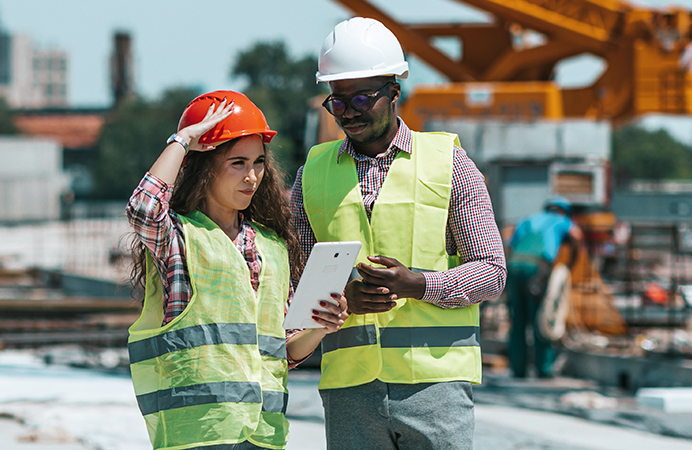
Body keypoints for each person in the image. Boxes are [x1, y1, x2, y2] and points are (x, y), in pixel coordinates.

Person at [291, 17, 506, 449]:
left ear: (394, 92)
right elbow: (298, 285)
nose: (348, 111)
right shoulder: (311, 175)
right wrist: (342, 303)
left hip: (435, 385)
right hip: (350, 390)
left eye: (362, 98)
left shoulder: (450, 163)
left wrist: (419, 284)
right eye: (338, 101)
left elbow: (492, 271)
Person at [125, 90, 350, 450]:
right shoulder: (180, 238)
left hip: (263, 434)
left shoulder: (273, 247)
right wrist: (183, 141)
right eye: (237, 163)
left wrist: (320, 327)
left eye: (258, 162)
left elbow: (286, 351)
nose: (252, 176)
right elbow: (143, 208)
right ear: (204, 165)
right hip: (198, 433)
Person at [504, 196, 583, 378]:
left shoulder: (527, 220)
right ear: (564, 211)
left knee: (517, 319)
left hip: (515, 267)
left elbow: (510, 245)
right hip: (537, 269)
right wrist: (572, 263)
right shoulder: (562, 221)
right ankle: (543, 368)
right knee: (541, 318)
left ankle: (518, 369)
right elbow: (576, 237)